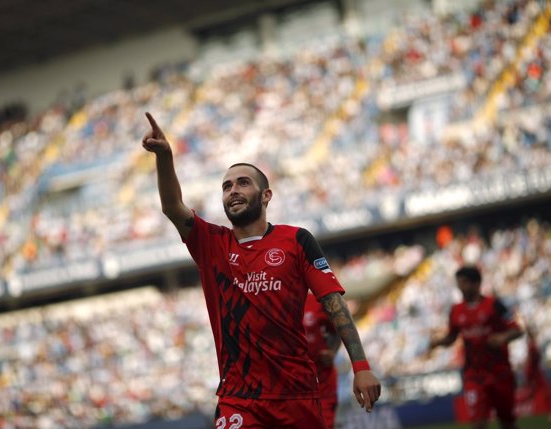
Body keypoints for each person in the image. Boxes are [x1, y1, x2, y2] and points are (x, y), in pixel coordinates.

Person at [142, 112, 381, 429]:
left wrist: (360, 365)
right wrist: (165, 156)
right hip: (240, 399)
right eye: (226, 186)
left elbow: (333, 302)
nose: (233, 190)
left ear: (266, 195)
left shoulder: (296, 241)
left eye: (243, 183)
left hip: (297, 396)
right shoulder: (212, 245)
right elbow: (173, 206)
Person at [429, 265, 523, 429]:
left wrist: (503, 337)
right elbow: (452, 337)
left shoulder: (494, 305)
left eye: (464, 283)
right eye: (459, 283)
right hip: (474, 375)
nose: (460, 287)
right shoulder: (456, 311)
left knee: (507, 423)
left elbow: (517, 330)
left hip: (500, 373)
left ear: (476, 283)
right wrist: (437, 342)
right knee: (478, 424)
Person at [303, 290, 342, 428]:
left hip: (323, 381)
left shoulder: (317, 301)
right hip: (291, 382)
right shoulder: (276, 302)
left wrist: (332, 351)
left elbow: (340, 328)